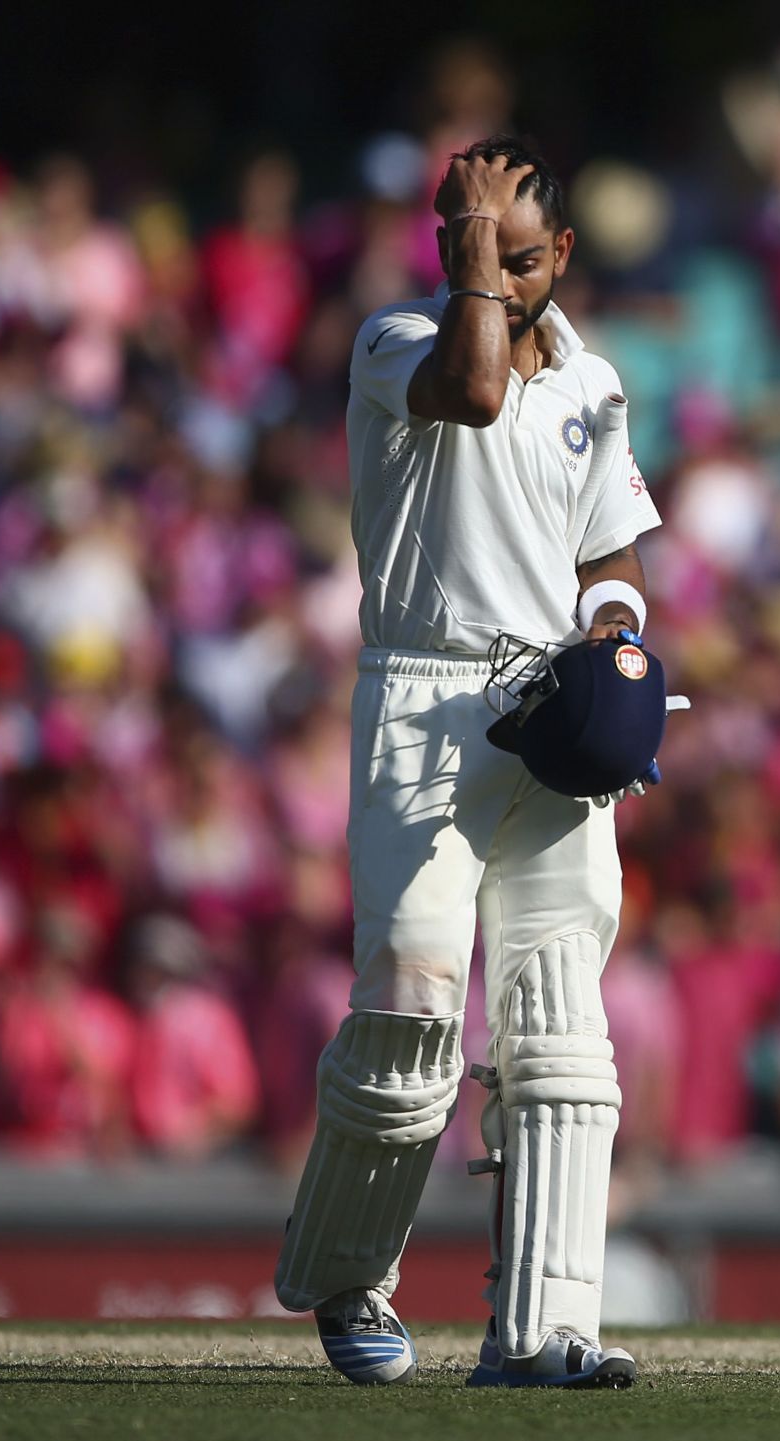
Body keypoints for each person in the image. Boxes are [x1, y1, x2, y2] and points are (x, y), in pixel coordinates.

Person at [271, 135, 660, 1389]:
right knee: (411, 1005)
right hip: (423, 702)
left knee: (559, 1030)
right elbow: (479, 389)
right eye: (461, 242)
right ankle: (347, 1277)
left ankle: (542, 1328)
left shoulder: (594, 382)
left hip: (546, 703)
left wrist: (617, 644)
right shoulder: (398, 343)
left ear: (566, 255)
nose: (482, 265)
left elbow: (612, 555)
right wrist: (478, 265)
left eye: (513, 248)